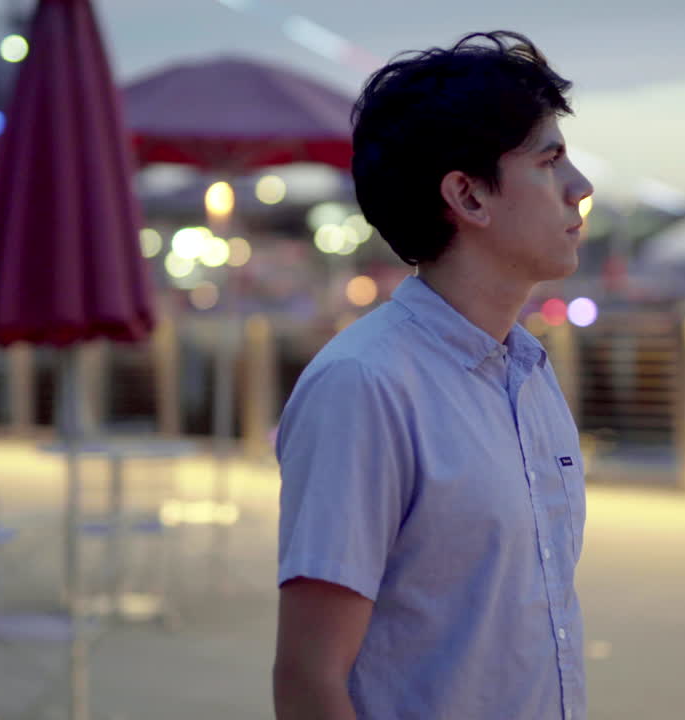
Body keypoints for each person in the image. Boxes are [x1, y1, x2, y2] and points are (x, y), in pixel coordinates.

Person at [273, 30, 594, 720]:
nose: (581, 189)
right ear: (469, 197)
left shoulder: (529, 374)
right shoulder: (365, 386)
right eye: (550, 161)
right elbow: (308, 677)